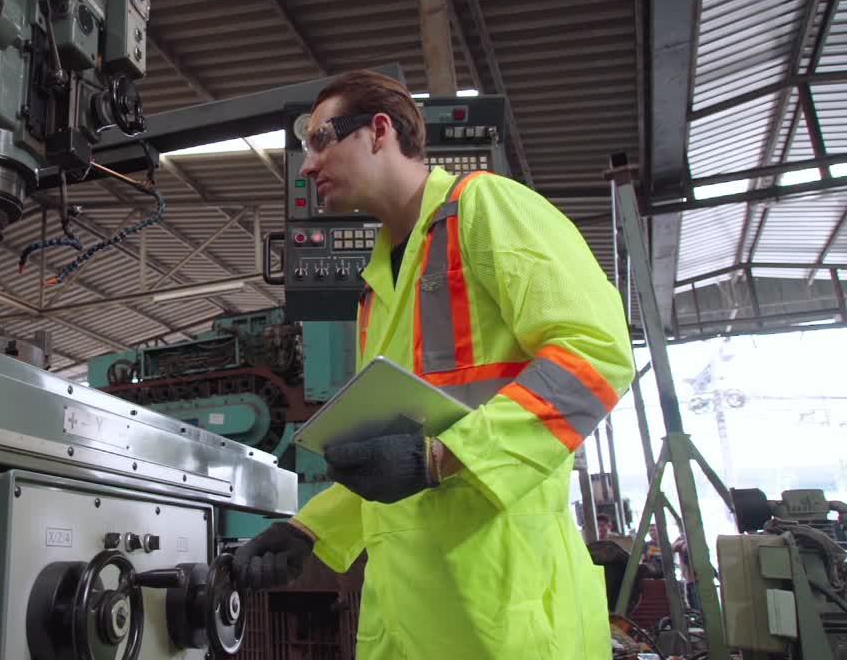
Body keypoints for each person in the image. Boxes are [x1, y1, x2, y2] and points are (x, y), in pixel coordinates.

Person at [231, 70, 635, 660]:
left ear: (378, 131)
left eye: (321, 139)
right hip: (404, 620)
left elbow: (595, 353)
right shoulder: (376, 286)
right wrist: (309, 530)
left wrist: (446, 458)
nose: (306, 166)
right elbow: (395, 454)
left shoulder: (485, 207)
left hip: (505, 615)